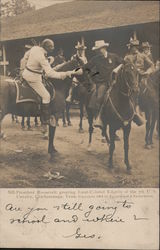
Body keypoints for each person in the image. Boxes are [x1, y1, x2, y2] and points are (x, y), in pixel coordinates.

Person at [22, 38, 74, 125]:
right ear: (45, 47)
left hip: (26, 73)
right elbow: (50, 73)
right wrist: (65, 74)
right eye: (51, 46)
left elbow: (26, 57)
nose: (53, 48)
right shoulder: (42, 57)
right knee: (46, 96)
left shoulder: (35, 48)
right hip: (33, 78)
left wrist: (32, 65)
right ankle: (45, 119)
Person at [83, 40, 123, 128]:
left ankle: (133, 114)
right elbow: (86, 68)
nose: (98, 51)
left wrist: (116, 69)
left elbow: (123, 63)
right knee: (100, 97)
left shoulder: (113, 56)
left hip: (114, 82)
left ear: (104, 48)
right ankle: (99, 118)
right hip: (102, 83)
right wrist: (94, 76)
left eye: (99, 49)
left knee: (126, 93)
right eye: (97, 50)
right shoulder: (95, 59)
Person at [124, 37, 155, 126]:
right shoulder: (127, 57)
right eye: (133, 46)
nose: (135, 48)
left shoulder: (142, 55)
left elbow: (152, 65)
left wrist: (147, 72)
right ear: (130, 47)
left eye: (136, 47)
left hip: (141, 76)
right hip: (131, 77)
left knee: (148, 87)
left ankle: (146, 106)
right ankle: (131, 111)